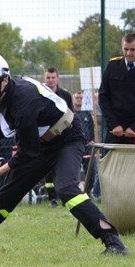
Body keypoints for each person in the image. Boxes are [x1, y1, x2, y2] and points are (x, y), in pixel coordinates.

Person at [0, 53, 130, 256]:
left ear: (4, 80)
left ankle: (113, 242)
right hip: (42, 144)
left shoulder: (24, 99)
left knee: (66, 190)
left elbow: (26, 153)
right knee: (6, 196)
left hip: (67, 139)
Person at [42, 67, 74, 208]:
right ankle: (52, 198)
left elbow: (71, 112)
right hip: (48, 135)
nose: (50, 80)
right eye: (48, 77)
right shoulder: (41, 94)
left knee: (62, 166)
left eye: (53, 77)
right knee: (49, 168)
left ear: (57, 78)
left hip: (63, 135)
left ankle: (64, 197)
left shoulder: (65, 95)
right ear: (45, 78)